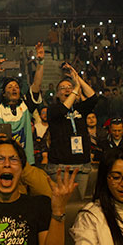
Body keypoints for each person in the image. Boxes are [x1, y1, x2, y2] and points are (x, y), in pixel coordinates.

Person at [0, 43, 45, 164]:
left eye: (16, 87)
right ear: (3, 93)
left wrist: (41, 63)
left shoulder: (26, 105)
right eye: (10, 87)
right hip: (2, 162)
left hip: (25, 162)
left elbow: (37, 85)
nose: (14, 89)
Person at [46, 64, 97, 199]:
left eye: (69, 86)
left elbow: (93, 97)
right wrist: (75, 89)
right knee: (64, 203)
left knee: (79, 203)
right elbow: (64, 109)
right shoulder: (53, 109)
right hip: (60, 166)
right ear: (57, 94)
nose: (67, 89)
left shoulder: (80, 108)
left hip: (82, 165)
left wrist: (77, 78)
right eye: (63, 88)